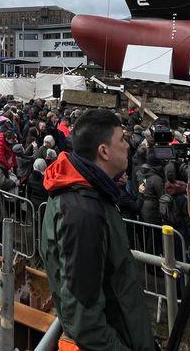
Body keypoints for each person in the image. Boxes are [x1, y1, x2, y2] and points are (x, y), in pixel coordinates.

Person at [39, 109, 154, 351]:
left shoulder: (87, 192)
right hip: (118, 337)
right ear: (103, 151)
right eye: (121, 139)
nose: (127, 146)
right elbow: (85, 319)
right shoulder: (83, 213)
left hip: (124, 327)